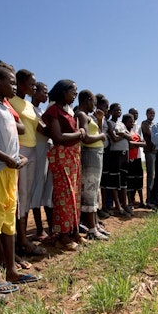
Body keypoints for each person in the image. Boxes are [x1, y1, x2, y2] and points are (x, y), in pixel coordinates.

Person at [0, 61, 41, 294]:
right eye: (11, 82)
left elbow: (14, 137)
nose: (15, 87)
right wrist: (7, 158)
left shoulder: (7, 108)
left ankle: (11, 271)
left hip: (11, 171)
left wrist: (18, 158)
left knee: (9, 220)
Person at [42, 80, 86, 251]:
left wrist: (78, 134)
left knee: (74, 195)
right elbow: (58, 137)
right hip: (62, 155)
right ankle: (63, 236)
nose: (75, 95)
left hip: (73, 155)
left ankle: (74, 231)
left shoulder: (68, 112)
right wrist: (80, 132)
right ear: (62, 92)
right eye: (72, 91)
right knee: (64, 196)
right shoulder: (53, 110)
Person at [8, 69, 47, 256]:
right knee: (18, 196)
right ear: (20, 83)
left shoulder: (29, 106)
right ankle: (19, 240)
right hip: (19, 150)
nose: (33, 86)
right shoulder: (10, 101)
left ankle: (21, 238)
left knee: (26, 195)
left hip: (32, 151)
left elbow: (42, 127)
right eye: (31, 84)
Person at [75, 89, 109, 240]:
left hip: (96, 154)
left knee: (94, 191)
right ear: (87, 100)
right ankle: (91, 229)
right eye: (93, 103)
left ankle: (95, 226)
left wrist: (100, 122)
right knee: (89, 191)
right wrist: (102, 136)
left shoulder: (89, 116)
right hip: (89, 154)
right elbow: (86, 138)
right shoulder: (81, 114)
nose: (95, 106)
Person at [30, 82, 54, 239]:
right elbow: (44, 130)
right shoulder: (30, 110)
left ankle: (51, 227)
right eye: (43, 92)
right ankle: (39, 229)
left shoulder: (41, 110)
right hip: (38, 150)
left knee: (48, 190)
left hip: (47, 150)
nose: (46, 95)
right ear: (35, 92)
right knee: (37, 188)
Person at [106, 103, 133, 216]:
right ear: (111, 112)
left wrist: (121, 133)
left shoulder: (121, 124)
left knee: (123, 181)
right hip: (115, 154)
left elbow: (130, 137)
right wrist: (123, 134)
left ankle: (124, 205)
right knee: (115, 181)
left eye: (120, 110)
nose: (119, 112)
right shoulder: (109, 123)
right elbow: (114, 138)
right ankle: (117, 206)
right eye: (116, 110)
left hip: (124, 154)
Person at [141, 107, 158, 205]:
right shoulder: (145, 124)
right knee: (151, 176)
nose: (152, 115)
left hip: (156, 152)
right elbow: (152, 135)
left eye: (153, 114)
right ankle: (149, 199)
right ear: (146, 114)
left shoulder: (155, 125)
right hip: (149, 152)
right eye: (150, 113)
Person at [124, 113, 146, 208]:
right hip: (128, 159)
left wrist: (136, 144)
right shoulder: (124, 133)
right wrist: (138, 144)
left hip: (138, 159)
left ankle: (141, 201)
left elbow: (144, 143)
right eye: (129, 122)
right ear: (124, 123)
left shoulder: (135, 134)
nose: (132, 124)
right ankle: (130, 202)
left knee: (139, 180)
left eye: (133, 122)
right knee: (129, 181)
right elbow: (129, 145)